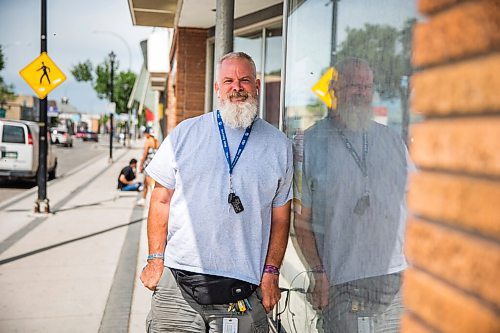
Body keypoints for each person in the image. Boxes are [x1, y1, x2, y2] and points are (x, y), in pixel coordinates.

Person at [140, 52, 293, 333]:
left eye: (245, 80)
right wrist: (154, 259)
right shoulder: (185, 133)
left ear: (257, 86)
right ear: (217, 88)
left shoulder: (279, 145)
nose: (237, 87)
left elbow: (281, 218)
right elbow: (160, 199)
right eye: (229, 80)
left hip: (242, 290)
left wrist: (271, 272)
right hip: (178, 288)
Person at [295, 58, 413, 332]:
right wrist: (318, 273)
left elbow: (416, 204)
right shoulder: (309, 143)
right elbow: (301, 222)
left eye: (366, 86)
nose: (361, 92)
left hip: (396, 280)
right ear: (334, 90)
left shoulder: (393, 141)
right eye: (353, 85)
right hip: (340, 284)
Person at [137, 127, 159, 206]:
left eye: (145, 133)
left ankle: (154, 201)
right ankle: (143, 199)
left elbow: (144, 154)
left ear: (148, 133)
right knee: (145, 182)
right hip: (154, 163)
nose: (145, 134)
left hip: (147, 164)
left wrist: (140, 165)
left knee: (150, 183)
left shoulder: (148, 141)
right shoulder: (156, 141)